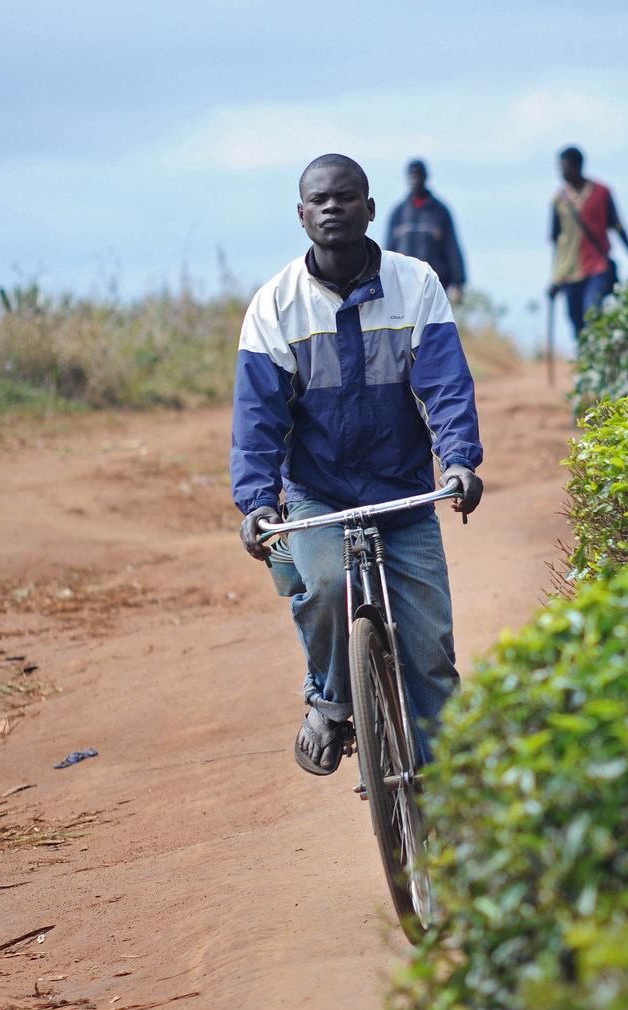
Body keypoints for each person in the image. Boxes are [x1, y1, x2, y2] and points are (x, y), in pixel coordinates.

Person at [230, 152, 484, 777]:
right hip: (319, 493)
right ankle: (331, 700)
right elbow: (258, 417)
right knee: (326, 588)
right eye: (319, 200)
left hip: (402, 493)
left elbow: (446, 386)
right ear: (301, 215)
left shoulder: (416, 285)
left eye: (346, 197)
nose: (332, 207)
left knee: (430, 657)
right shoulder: (274, 306)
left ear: (372, 210)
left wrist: (459, 462)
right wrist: (258, 501)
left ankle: (449, 800)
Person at [549, 145, 628, 339]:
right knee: (576, 321)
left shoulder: (602, 192)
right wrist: (555, 278)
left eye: (565, 168)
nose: (562, 173)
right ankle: (584, 364)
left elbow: (618, 227)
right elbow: (556, 241)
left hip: (597, 267)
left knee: (592, 314)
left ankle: (596, 360)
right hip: (568, 271)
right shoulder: (558, 199)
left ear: (578, 167)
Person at [385, 159, 467, 304]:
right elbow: (389, 252)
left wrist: (458, 282)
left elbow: (451, 246)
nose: (414, 178)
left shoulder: (440, 211)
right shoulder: (399, 213)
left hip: (434, 285)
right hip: (403, 286)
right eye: (411, 175)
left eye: (418, 174)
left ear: (425, 176)